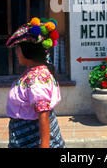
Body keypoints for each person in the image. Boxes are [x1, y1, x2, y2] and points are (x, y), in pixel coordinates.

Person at [5, 17, 66, 148]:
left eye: (19, 49)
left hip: (33, 140)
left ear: (28, 52)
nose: (16, 53)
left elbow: (43, 115)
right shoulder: (34, 72)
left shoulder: (37, 80)